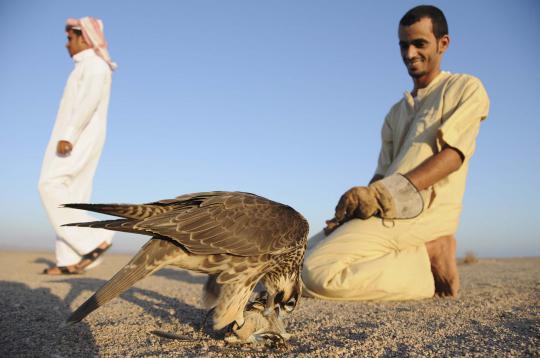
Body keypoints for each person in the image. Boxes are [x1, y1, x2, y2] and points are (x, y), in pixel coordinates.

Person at [302, 5, 489, 300]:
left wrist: (382, 196)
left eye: (419, 43)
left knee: (317, 275)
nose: (410, 53)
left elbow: (453, 156)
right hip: (387, 209)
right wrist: (359, 206)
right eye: (404, 45)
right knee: (289, 265)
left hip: (426, 212)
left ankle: (429, 257)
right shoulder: (395, 112)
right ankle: (419, 252)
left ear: (443, 43)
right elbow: (382, 172)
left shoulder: (465, 88)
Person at [39, 17, 117, 275]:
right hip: (81, 136)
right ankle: (69, 260)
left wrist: (69, 135)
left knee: (49, 185)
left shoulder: (95, 65)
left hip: (80, 137)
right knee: (73, 196)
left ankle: (94, 240)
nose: (66, 45)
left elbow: (89, 102)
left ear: (84, 38)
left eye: (69, 39)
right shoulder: (85, 66)